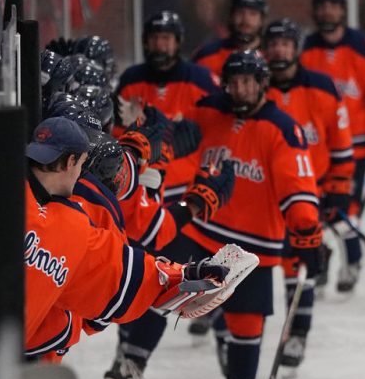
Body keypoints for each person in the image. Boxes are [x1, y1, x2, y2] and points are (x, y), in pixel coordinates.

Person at [110, 51, 322, 379]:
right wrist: (154, 139)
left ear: (262, 84)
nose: (239, 88)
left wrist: (306, 228)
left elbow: (298, 186)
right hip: (201, 229)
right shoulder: (207, 110)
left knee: (246, 326)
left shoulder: (282, 128)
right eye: (233, 81)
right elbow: (174, 141)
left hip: (254, 244)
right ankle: (130, 364)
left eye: (248, 81)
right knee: (159, 285)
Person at [24, 117, 228, 362]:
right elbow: (118, 271)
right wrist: (182, 274)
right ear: (71, 162)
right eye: (81, 165)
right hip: (2, 361)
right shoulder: (69, 225)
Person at [264, 17, 354, 370]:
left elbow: (342, 147)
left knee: (296, 266)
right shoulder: (255, 88)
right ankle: (225, 326)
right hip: (260, 196)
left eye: (286, 43)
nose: (279, 50)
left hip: (305, 195)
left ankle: (296, 333)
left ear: (296, 48)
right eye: (273, 44)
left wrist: (339, 190)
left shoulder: (323, 87)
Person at [301, 0, 365, 291]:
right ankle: (319, 259)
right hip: (315, 148)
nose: (328, 10)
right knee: (312, 209)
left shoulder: (363, 47)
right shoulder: (306, 49)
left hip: (353, 148)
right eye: (323, 4)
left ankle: (352, 258)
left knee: (346, 209)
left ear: (343, 10)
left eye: (334, 5)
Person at [116, 10, 215, 202]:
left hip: (187, 185)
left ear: (178, 41)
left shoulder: (202, 80)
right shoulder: (130, 79)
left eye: (166, 38)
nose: (160, 45)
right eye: (154, 38)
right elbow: (118, 132)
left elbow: (215, 131)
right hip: (141, 181)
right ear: (145, 41)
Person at [192, 0, 267, 78]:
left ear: (262, 20)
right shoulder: (206, 56)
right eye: (240, 13)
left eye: (253, 14)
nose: (246, 19)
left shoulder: (272, 56)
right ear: (231, 17)